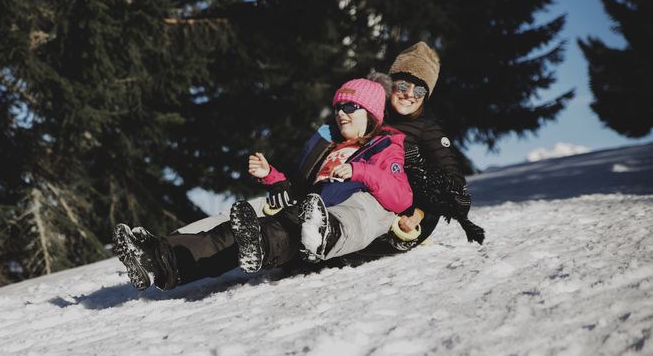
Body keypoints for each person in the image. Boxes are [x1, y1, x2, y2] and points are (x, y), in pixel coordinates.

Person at [113, 77, 413, 290]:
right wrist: (271, 175)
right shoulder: (329, 147)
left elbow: (400, 196)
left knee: (286, 227)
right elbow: (299, 188)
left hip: (342, 218)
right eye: (338, 106)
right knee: (230, 233)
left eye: (351, 107)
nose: (341, 113)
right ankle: (158, 259)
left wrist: (360, 171)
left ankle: (280, 240)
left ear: (372, 114)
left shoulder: (385, 147)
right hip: (308, 209)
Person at [362, 42, 484, 254]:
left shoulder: (428, 129)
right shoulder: (370, 117)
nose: (409, 94)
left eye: (419, 90)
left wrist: (420, 212)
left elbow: (453, 180)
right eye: (402, 86)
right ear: (390, 85)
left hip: (409, 215)